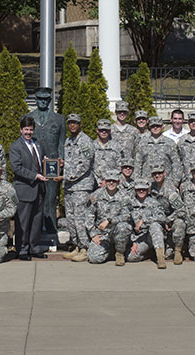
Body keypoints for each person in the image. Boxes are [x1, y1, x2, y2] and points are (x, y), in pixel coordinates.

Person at [24, 87, 64, 234]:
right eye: (40, 99)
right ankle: (35, 229)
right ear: (35, 99)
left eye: (45, 99)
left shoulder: (59, 119)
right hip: (34, 163)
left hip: (52, 164)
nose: (42, 101)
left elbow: (61, 142)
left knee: (51, 197)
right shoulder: (28, 118)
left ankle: (51, 228)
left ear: (50, 100)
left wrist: (62, 159)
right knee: (35, 197)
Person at [9, 116, 48, 261]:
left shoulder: (38, 143)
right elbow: (16, 168)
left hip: (39, 189)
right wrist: (35, 176)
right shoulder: (15, 146)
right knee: (23, 222)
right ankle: (22, 250)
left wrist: (49, 164)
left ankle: (34, 247)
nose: (28, 132)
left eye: (31, 130)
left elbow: (42, 161)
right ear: (21, 130)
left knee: (37, 221)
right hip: (25, 188)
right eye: (26, 130)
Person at [62, 113, 96, 261]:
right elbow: (70, 162)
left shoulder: (85, 141)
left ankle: (85, 249)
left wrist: (65, 176)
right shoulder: (68, 141)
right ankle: (76, 245)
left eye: (75, 123)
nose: (72, 125)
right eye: (70, 123)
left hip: (81, 187)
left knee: (80, 219)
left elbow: (85, 165)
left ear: (80, 124)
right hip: (69, 187)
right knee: (70, 219)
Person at [84, 173, 132, 265]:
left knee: (124, 227)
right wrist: (93, 234)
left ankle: (119, 253)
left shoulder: (125, 196)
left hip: (117, 232)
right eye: (109, 180)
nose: (111, 183)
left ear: (118, 182)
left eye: (114, 181)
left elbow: (127, 215)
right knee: (94, 258)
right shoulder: (96, 195)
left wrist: (110, 220)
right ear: (105, 182)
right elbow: (89, 215)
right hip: (102, 234)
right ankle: (110, 250)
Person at [127, 178, 167, 269]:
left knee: (155, 225)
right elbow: (128, 223)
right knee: (130, 257)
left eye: (144, 189)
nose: (141, 191)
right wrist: (134, 242)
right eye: (139, 189)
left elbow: (162, 218)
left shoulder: (154, 203)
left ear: (148, 190)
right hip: (139, 238)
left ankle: (160, 258)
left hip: (151, 237)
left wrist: (144, 220)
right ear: (135, 190)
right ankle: (148, 254)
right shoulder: (130, 204)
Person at [149, 163, 185, 264]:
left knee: (180, 223)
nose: (157, 175)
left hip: (171, 220)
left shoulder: (170, 189)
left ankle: (178, 251)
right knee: (154, 226)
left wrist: (168, 220)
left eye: (159, 173)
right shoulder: (152, 187)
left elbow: (181, 210)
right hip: (159, 220)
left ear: (164, 173)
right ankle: (159, 255)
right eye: (155, 174)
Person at [135, 116, 181, 185]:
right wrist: (138, 182)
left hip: (166, 183)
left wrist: (175, 182)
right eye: (153, 126)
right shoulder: (143, 143)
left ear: (162, 127)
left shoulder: (170, 143)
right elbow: (138, 164)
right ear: (149, 127)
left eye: (158, 126)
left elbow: (176, 163)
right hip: (147, 183)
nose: (155, 128)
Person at [92, 118, 124, 186]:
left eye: (106, 130)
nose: (104, 132)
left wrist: (108, 179)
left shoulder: (117, 147)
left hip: (112, 183)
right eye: (101, 130)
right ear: (97, 130)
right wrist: (98, 181)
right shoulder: (91, 146)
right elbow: (88, 166)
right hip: (94, 183)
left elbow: (120, 166)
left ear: (110, 131)